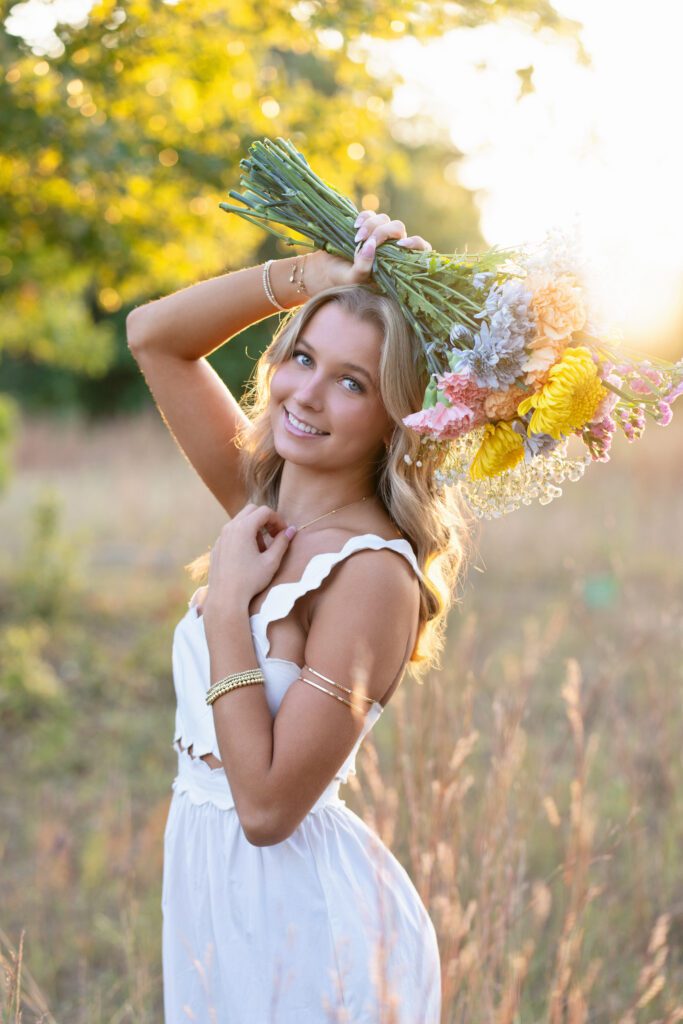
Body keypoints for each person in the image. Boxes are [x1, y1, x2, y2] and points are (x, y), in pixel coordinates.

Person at [126, 210, 472, 1022]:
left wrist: (227, 614)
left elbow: (269, 809)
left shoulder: (372, 575)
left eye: (352, 382)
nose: (306, 395)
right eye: (303, 357)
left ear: (400, 415)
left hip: (305, 924)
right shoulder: (263, 504)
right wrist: (306, 279)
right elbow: (152, 336)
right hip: (213, 897)